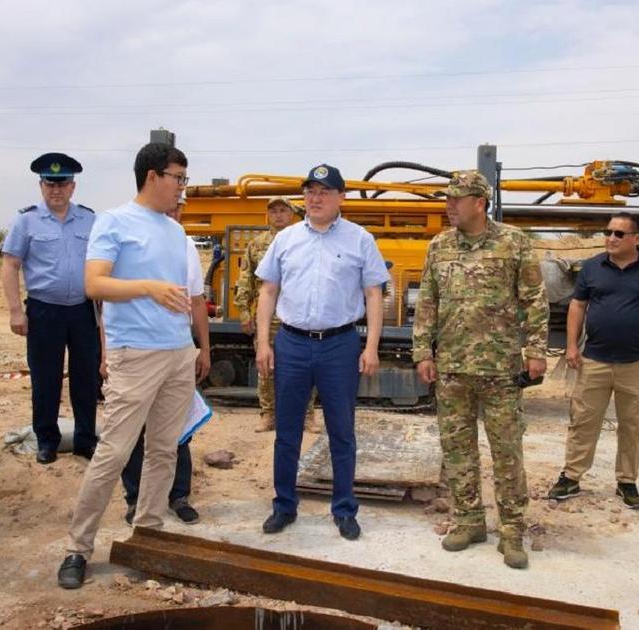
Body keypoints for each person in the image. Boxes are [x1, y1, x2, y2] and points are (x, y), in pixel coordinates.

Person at [58, 142, 195, 589]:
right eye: (178, 178)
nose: (182, 188)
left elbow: (184, 294)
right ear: (153, 176)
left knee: (163, 450)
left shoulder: (176, 231)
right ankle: (78, 548)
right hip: (135, 354)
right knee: (114, 451)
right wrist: (150, 288)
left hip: (177, 353)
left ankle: (149, 535)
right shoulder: (115, 221)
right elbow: (94, 284)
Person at [411, 170, 549, 569]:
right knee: (457, 452)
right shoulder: (439, 246)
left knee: (507, 452)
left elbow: (535, 301)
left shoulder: (514, 243)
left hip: (500, 369)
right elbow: (428, 305)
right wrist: (423, 351)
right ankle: (469, 520)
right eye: (448, 199)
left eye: (457, 199)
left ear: (479, 202)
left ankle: (511, 530)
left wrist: (536, 350)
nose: (449, 206)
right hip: (452, 368)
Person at [254, 164, 390, 541]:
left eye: (324, 191)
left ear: (341, 197)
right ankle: (284, 506)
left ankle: (344, 509)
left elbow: (373, 294)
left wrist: (372, 347)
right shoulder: (286, 239)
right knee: (288, 431)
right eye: (310, 191)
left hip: (339, 345)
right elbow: (267, 291)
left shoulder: (360, 240)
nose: (314, 198)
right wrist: (264, 342)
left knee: (342, 431)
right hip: (292, 343)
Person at [547, 212, 639, 509]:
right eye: (608, 232)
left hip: (637, 363)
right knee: (582, 421)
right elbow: (578, 306)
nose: (611, 238)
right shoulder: (592, 267)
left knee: (632, 425)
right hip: (594, 361)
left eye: (619, 234)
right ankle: (571, 477)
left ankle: (627, 481)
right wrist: (570, 346)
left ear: (637, 239)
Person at [119, 195, 211, 526]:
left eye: (178, 207)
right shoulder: (130, 239)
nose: (174, 212)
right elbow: (106, 302)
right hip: (138, 349)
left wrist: (205, 348)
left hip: (177, 347)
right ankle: (135, 498)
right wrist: (105, 352)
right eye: (169, 205)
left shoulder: (186, 245)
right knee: (134, 428)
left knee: (177, 426)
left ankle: (178, 494)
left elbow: (197, 301)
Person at [1, 153, 99, 464]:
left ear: (73, 186)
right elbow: (10, 265)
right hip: (44, 310)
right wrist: (16, 311)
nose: (55, 190)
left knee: (86, 378)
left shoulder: (89, 219)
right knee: (46, 378)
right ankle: (46, 440)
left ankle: (86, 438)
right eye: (49, 184)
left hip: (83, 310)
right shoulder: (26, 220)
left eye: (62, 184)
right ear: (41, 185)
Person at [234, 197, 319, 433]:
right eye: (274, 211)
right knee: (267, 367)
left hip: (298, 316)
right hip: (268, 317)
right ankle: (268, 414)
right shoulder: (257, 245)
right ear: (268, 215)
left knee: (305, 368)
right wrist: (244, 312)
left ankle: (307, 416)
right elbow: (246, 281)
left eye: (284, 210)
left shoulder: (304, 242)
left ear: (292, 214)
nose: (279, 215)